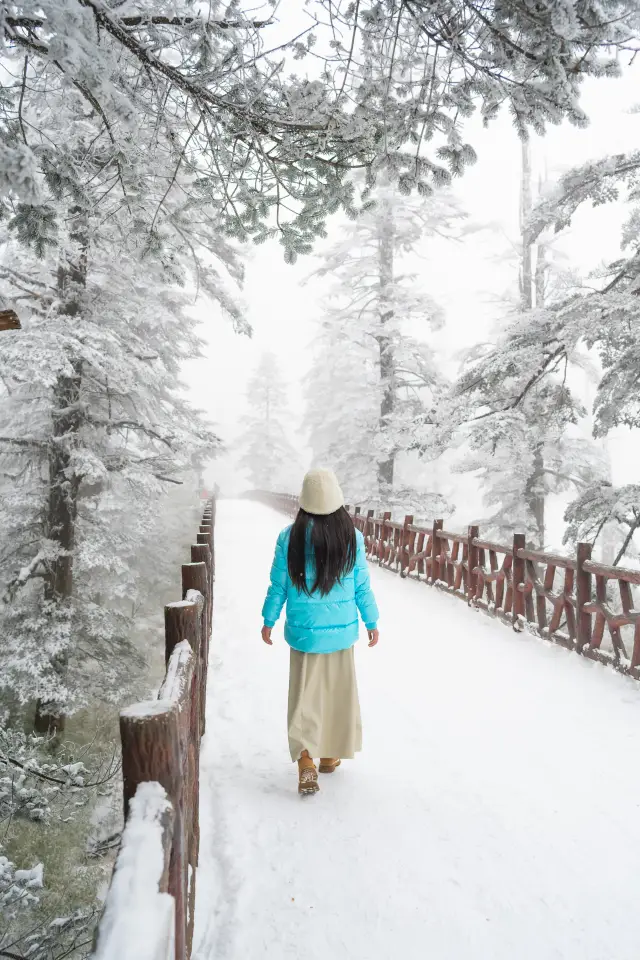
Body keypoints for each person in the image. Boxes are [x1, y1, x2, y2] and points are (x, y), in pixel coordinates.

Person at [261, 468, 380, 796]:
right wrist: (371, 621)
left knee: (304, 696)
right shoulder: (351, 537)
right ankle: (329, 755)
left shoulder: (289, 537)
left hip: (304, 635)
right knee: (337, 693)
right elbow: (362, 587)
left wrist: (268, 619)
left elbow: (278, 585)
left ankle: (305, 761)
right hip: (342, 635)